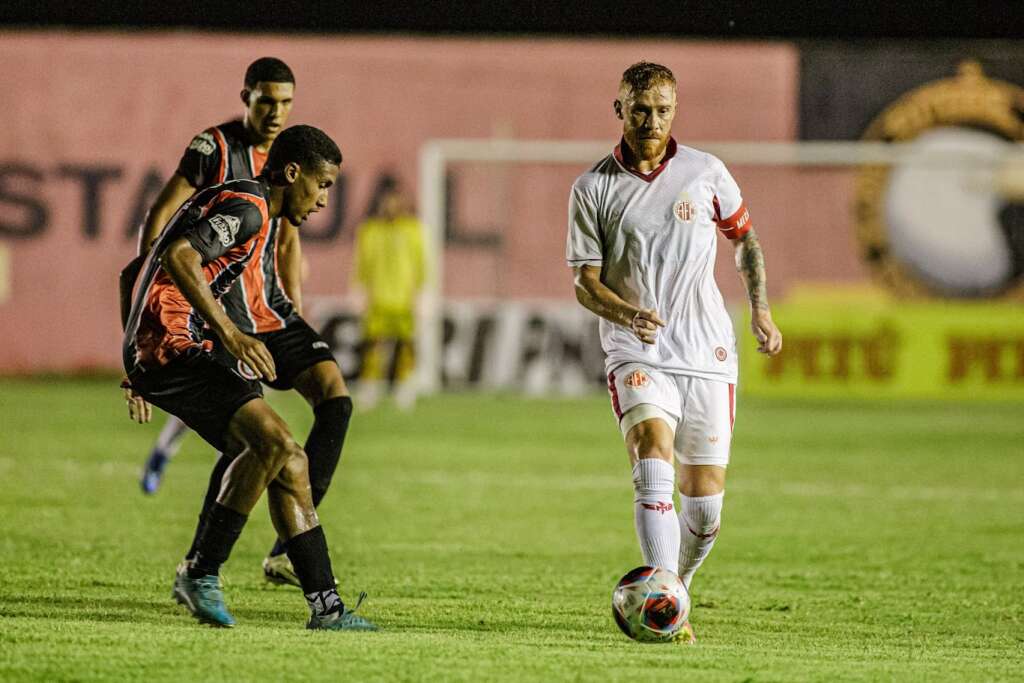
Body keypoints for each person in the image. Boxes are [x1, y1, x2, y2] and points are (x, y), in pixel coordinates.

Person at [122, 125, 376, 631]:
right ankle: (200, 571)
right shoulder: (249, 208)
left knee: (291, 460)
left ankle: (325, 607)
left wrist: (130, 351)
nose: (325, 200)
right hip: (174, 348)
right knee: (272, 442)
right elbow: (178, 257)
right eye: (322, 185)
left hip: (175, 345)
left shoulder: (248, 207)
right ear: (292, 173)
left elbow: (133, 271)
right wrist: (230, 336)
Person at [566, 62, 783, 644]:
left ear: (675, 110)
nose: (651, 120)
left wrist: (759, 308)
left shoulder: (706, 172)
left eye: (662, 109)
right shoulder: (593, 188)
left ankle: (675, 588)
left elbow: (746, 242)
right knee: (650, 451)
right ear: (619, 110)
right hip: (636, 349)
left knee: (706, 508)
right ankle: (661, 603)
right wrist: (628, 315)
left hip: (707, 351)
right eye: (639, 109)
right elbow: (586, 283)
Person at [353, 175, 425, 410]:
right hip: (377, 299)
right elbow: (361, 264)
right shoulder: (370, 230)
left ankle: (404, 389)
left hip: (405, 300)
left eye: (395, 200)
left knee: (405, 346)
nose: (391, 205)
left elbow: (422, 264)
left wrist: (423, 293)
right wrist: (357, 290)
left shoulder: (413, 230)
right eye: (387, 200)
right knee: (373, 347)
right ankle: (369, 388)